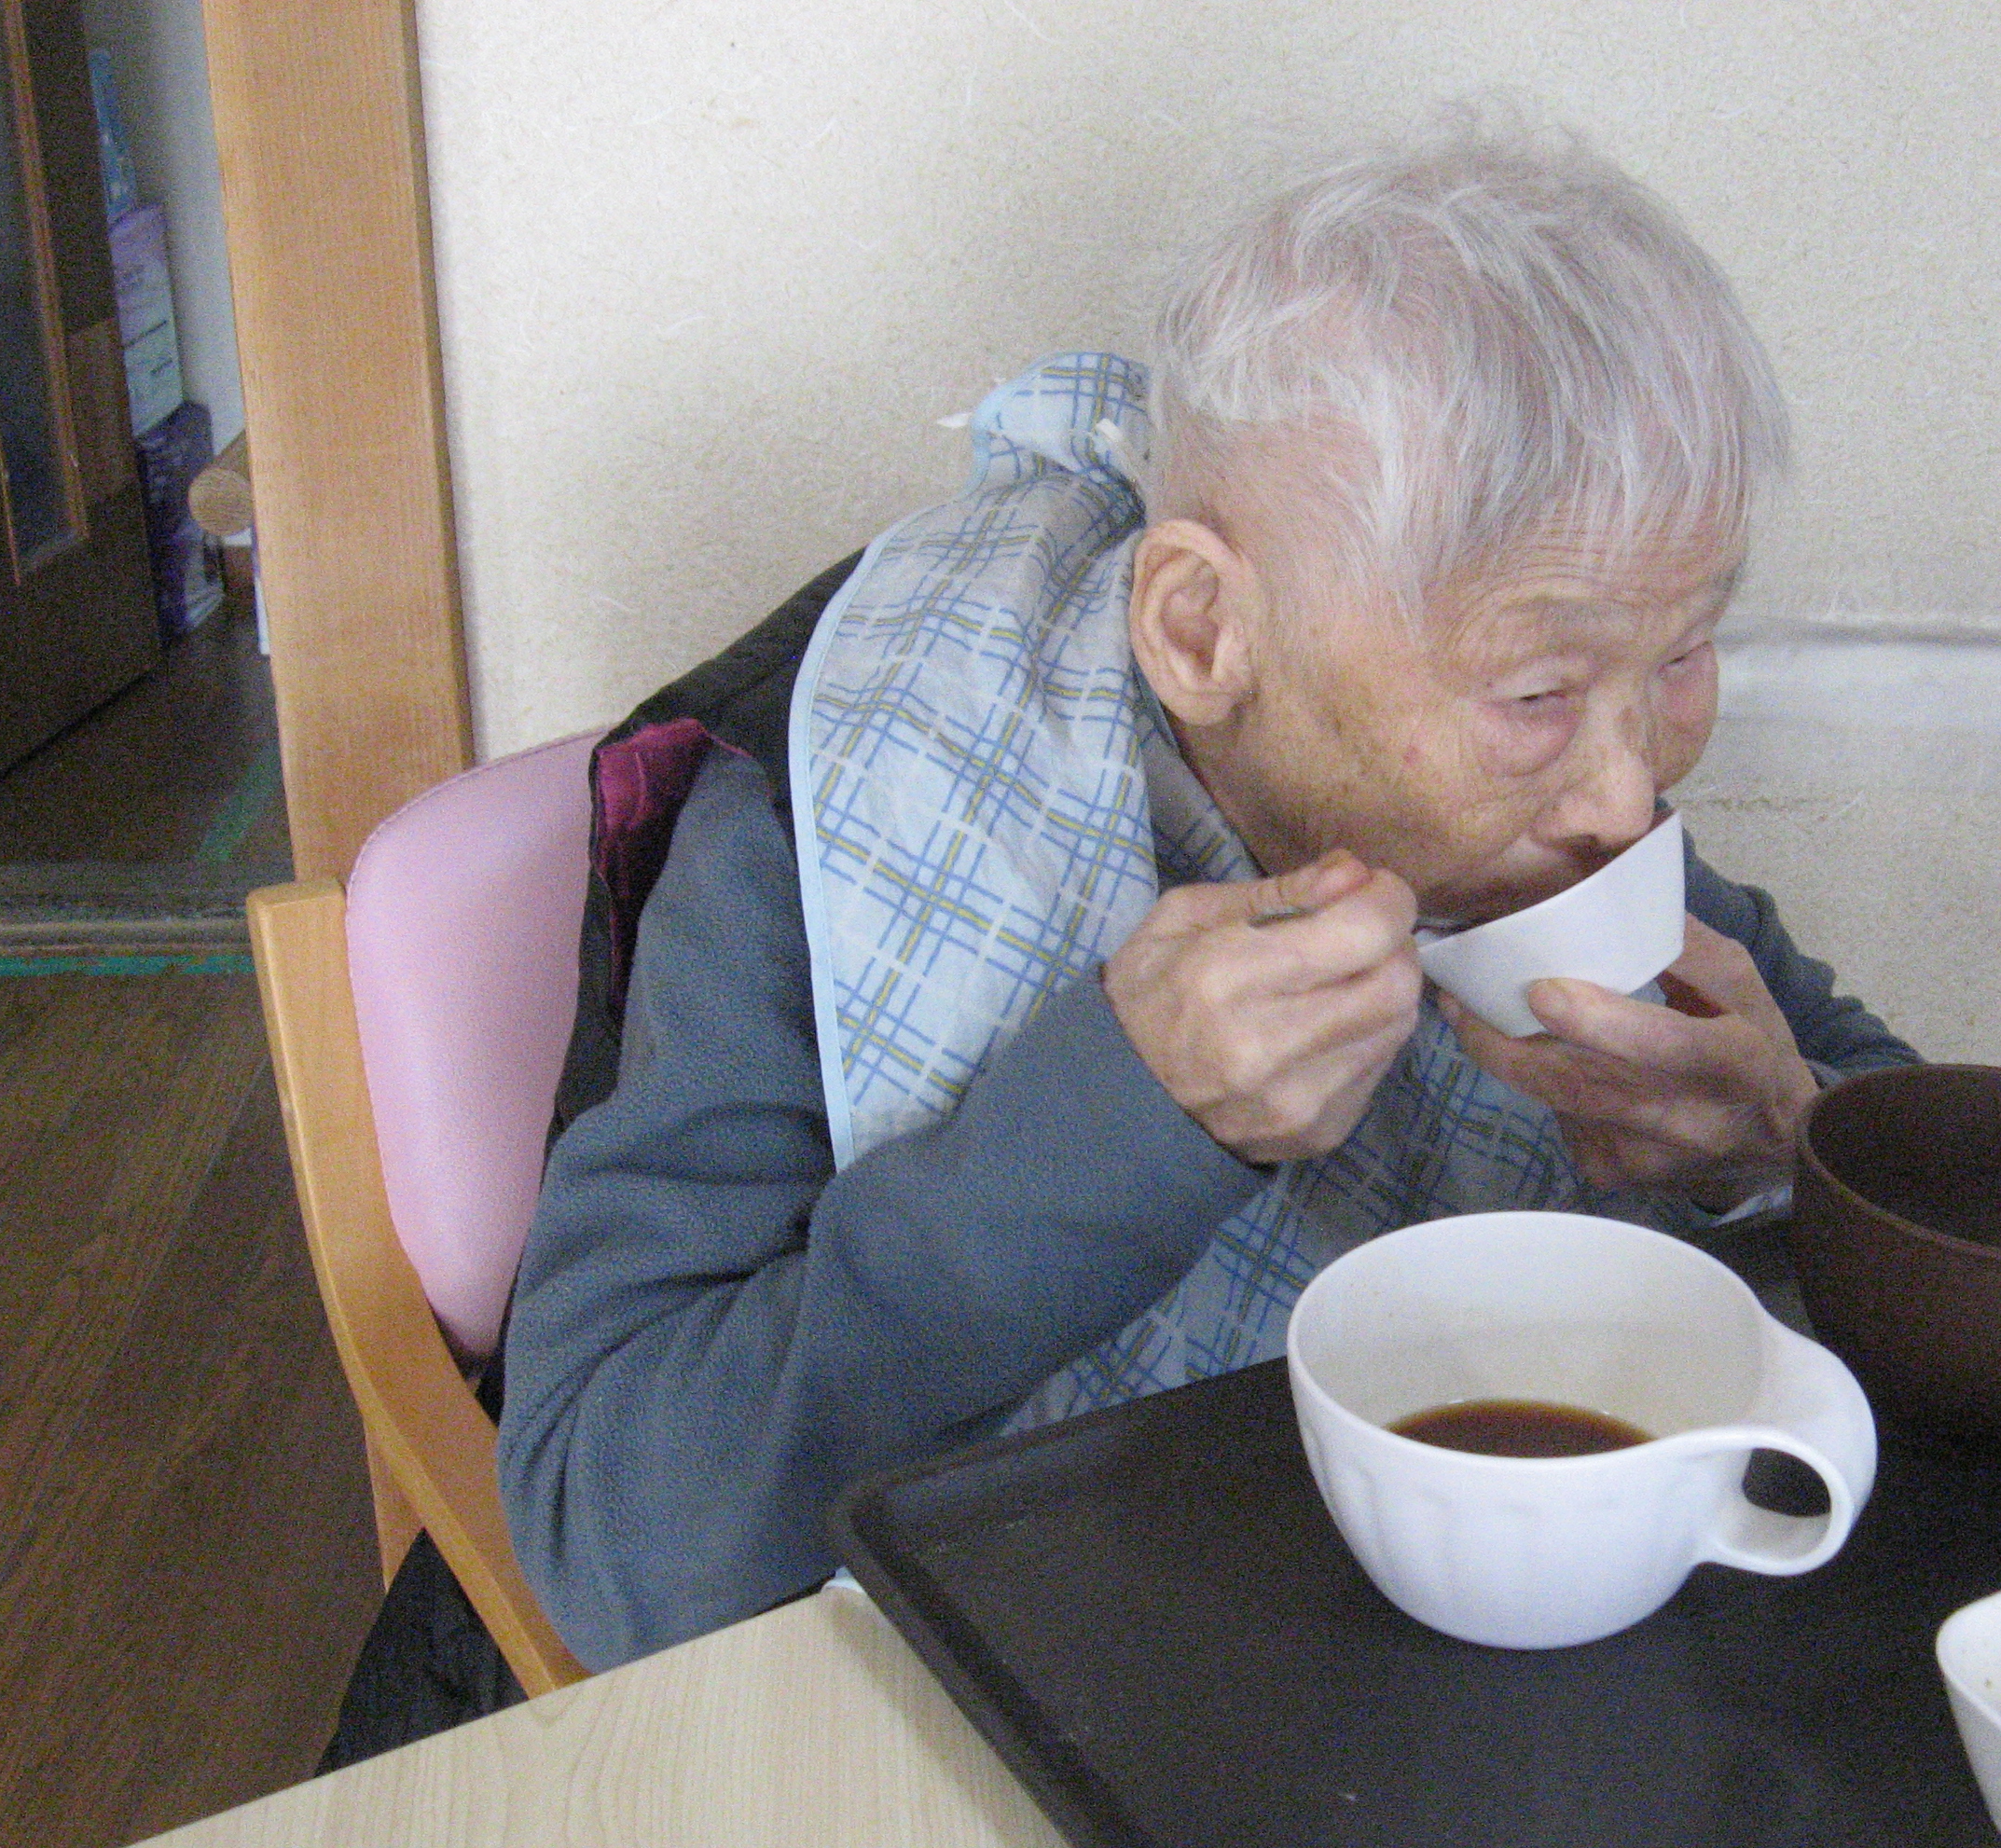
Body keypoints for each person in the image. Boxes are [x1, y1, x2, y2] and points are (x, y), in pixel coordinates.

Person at [495, 120, 1917, 1674]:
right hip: (1032, 1699)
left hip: (1445, 1672)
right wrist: (1118, 1123)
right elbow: (611, 1546)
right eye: (1536, 692)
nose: (1628, 797)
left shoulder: (1557, 816)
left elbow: (1914, 1149)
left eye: (1686, 653)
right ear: (1200, 630)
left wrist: (1784, 1144)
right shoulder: (862, 805)